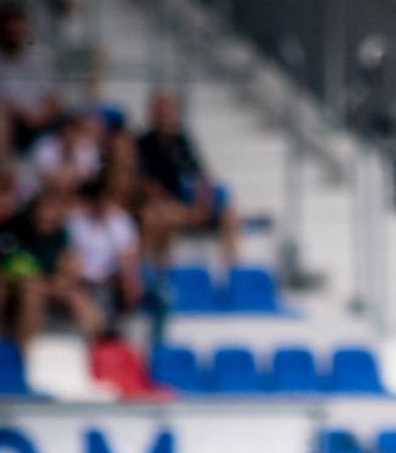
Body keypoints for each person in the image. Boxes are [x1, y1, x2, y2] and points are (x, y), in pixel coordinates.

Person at [136, 91, 239, 265]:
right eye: (161, 112)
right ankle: (160, 272)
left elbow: (202, 176)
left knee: (230, 214)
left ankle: (233, 270)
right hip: (168, 206)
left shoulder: (182, 141)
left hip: (191, 206)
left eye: (169, 112)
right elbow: (147, 184)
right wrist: (183, 209)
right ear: (152, 114)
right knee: (160, 216)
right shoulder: (144, 144)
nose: (165, 117)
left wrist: (201, 205)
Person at [2, 189, 102, 343]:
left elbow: (68, 265)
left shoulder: (62, 235)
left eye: (51, 212)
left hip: (49, 283)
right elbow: (11, 266)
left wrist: (63, 280)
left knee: (80, 300)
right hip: (19, 285)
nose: (45, 216)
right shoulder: (18, 231)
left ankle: (96, 347)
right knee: (32, 290)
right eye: (42, 211)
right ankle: (25, 349)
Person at [65, 175, 141, 327]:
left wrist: (129, 281)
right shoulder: (75, 221)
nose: (101, 204)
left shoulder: (121, 221)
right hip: (82, 282)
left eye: (105, 199)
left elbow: (128, 258)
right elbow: (70, 257)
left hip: (111, 282)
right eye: (97, 200)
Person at [0, 3, 62, 156]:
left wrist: (41, 114)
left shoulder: (40, 56)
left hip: (43, 119)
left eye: (17, 29)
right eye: (9, 31)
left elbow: (54, 97)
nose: (14, 34)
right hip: (13, 123)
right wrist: (24, 113)